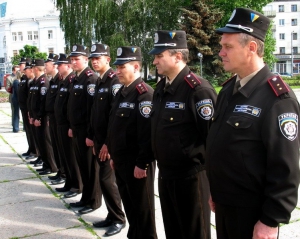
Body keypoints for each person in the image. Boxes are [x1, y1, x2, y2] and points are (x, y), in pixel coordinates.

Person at [206, 8, 300, 239]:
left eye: (228, 47)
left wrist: (270, 220)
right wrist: (216, 191)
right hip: (225, 204)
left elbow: (285, 169)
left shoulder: (278, 99)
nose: (220, 53)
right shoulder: (229, 89)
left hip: (253, 214)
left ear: (251, 48)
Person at [149, 30, 216, 239]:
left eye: (159, 56)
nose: (154, 61)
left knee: (195, 232)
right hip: (167, 174)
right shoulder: (162, 87)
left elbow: (212, 140)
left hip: (191, 177)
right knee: (173, 230)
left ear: (178, 57)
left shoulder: (198, 90)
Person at [107, 46, 157, 239]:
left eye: (122, 67)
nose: (117, 71)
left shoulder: (144, 95)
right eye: (117, 67)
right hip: (121, 162)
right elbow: (115, 126)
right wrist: (114, 155)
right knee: (130, 206)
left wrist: (141, 163)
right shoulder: (122, 92)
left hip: (137, 164)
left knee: (143, 209)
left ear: (136, 67)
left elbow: (147, 134)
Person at [86, 43, 126, 236]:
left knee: (107, 181)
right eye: (92, 58)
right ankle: (111, 215)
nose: (95, 61)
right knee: (103, 181)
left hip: (107, 144)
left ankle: (118, 218)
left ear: (108, 60)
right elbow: (96, 114)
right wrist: (94, 137)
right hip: (99, 141)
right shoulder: (100, 81)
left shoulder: (113, 81)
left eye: (98, 58)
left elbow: (114, 116)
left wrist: (108, 144)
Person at [67, 44, 101, 214]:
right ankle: (85, 198)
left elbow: (91, 111)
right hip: (77, 130)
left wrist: (90, 134)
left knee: (90, 168)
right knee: (82, 165)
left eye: (77, 59)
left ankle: (93, 201)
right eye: (72, 59)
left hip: (86, 132)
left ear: (85, 60)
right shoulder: (76, 78)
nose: (73, 62)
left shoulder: (90, 79)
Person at [54, 53, 83, 198]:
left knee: (71, 157)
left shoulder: (72, 80)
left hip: (69, 125)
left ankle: (77, 185)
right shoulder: (64, 80)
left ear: (67, 66)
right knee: (65, 155)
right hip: (62, 123)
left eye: (60, 64)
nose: (57, 67)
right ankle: (69, 182)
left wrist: (71, 125)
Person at [29, 59, 58, 175]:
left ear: (36, 68)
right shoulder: (37, 81)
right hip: (37, 116)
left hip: (43, 117)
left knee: (46, 143)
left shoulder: (43, 81)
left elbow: (42, 102)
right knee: (41, 142)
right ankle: (46, 164)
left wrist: (39, 117)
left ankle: (52, 166)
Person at [44, 53, 65, 185]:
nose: (46, 67)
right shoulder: (54, 80)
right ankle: (60, 171)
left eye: (48, 65)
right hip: (53, 118)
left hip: (61, 121)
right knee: (57, 148)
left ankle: (64, 174)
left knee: (62, 150)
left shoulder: (61, 80)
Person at [18, 58, 36, 158]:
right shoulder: (24, 78)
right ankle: (31, 148)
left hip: (29, 110)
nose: (23, 68)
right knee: (29, 131)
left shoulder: (30, 81)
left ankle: (34, 150)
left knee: (32, 132)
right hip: (25, 109)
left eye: (24, 66)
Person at [6, 65, 20, 132]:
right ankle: (15, 126)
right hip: (13, 96)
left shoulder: (21, 77)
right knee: (15, 112)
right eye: (16, 71)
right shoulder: (9, 78)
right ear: (13, 71)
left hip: (20, 97)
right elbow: (7, 88)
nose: (18, 72)